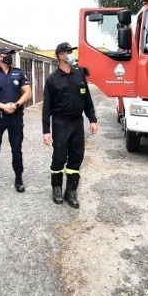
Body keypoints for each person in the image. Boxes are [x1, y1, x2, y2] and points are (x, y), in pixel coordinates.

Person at [42, 42, 98, 208]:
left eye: (71, 52)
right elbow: (46, 108)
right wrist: (46, 130)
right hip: (60, 122)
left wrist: (92, 119)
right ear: (60, 56)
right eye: (68, 52)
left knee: (77, 156)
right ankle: (57, 188)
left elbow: (87, 99)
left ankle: (71, 191)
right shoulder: (52, 79)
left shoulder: (79, 75)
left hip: (77, 122)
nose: (71, 54)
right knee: (59, 156)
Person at [0, 47, 32, 193]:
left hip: (15, 117)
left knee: (17, 149)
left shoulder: (18, 73)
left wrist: (15, 105)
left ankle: (18, 179)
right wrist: (3, 106)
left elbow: (27, 93)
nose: (10, 57)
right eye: (7, 55)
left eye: (11, 55)